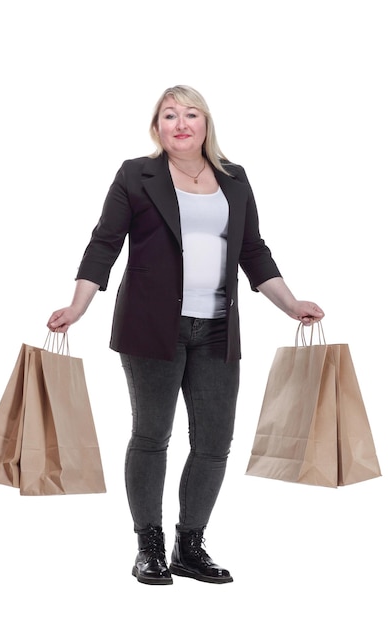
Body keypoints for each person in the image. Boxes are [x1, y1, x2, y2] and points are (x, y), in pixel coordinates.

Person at [47, 85, 324, 586]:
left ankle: (189, 546)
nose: (180, 123)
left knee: (215, 442)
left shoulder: (233, 178)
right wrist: (78, 306)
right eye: (169, 115)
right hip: (152, 329)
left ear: (205, 124)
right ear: (157, 127)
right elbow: (104, 242)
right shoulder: (137, 174)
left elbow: (253, 250)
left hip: (218, 330)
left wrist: (291, 303)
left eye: (190, 114)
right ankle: (148, 546)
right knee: (152, 436)